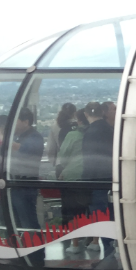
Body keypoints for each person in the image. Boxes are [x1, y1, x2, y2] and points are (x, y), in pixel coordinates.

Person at [9, 108, 45, 265]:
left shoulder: (34, 137)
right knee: (18, 221)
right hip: (16, 183)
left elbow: (24, 150)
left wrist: (3, 138)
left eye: (16, 121)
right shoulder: (19, 136)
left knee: (28, 221)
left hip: (25, 184)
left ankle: (36, 256)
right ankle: (23, 252)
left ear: (26, 122)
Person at [81, 102, 116, 254]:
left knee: (101, 216)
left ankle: (109, 253)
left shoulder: (90, 132)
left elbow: (90, 160)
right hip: (110, 179)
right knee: (111, 216)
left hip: (96, 181)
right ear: (103, 113)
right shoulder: (109, 130)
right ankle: (113, 251)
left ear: (86, 114)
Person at [56, 109, 90, 253]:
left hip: (72, 177)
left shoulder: (72, 135)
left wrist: (63, 170)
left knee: (72, 211)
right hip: (90, 176)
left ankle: (74, 243)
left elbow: (63, 156)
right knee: (89, 210)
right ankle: (91, 239)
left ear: (79, 121)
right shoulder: (94, 134)